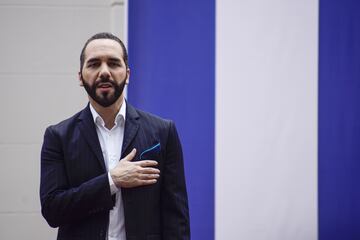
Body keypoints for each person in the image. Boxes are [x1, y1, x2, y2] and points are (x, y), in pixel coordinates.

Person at [40, 32, 190, 240]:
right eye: (93, 64)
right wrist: (112, 180)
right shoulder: (58, 136)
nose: (104, 72)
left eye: (113, 63)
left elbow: (176, 219)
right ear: (80, 77)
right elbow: (52, 210)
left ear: (127, 74)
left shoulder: (163, 132)